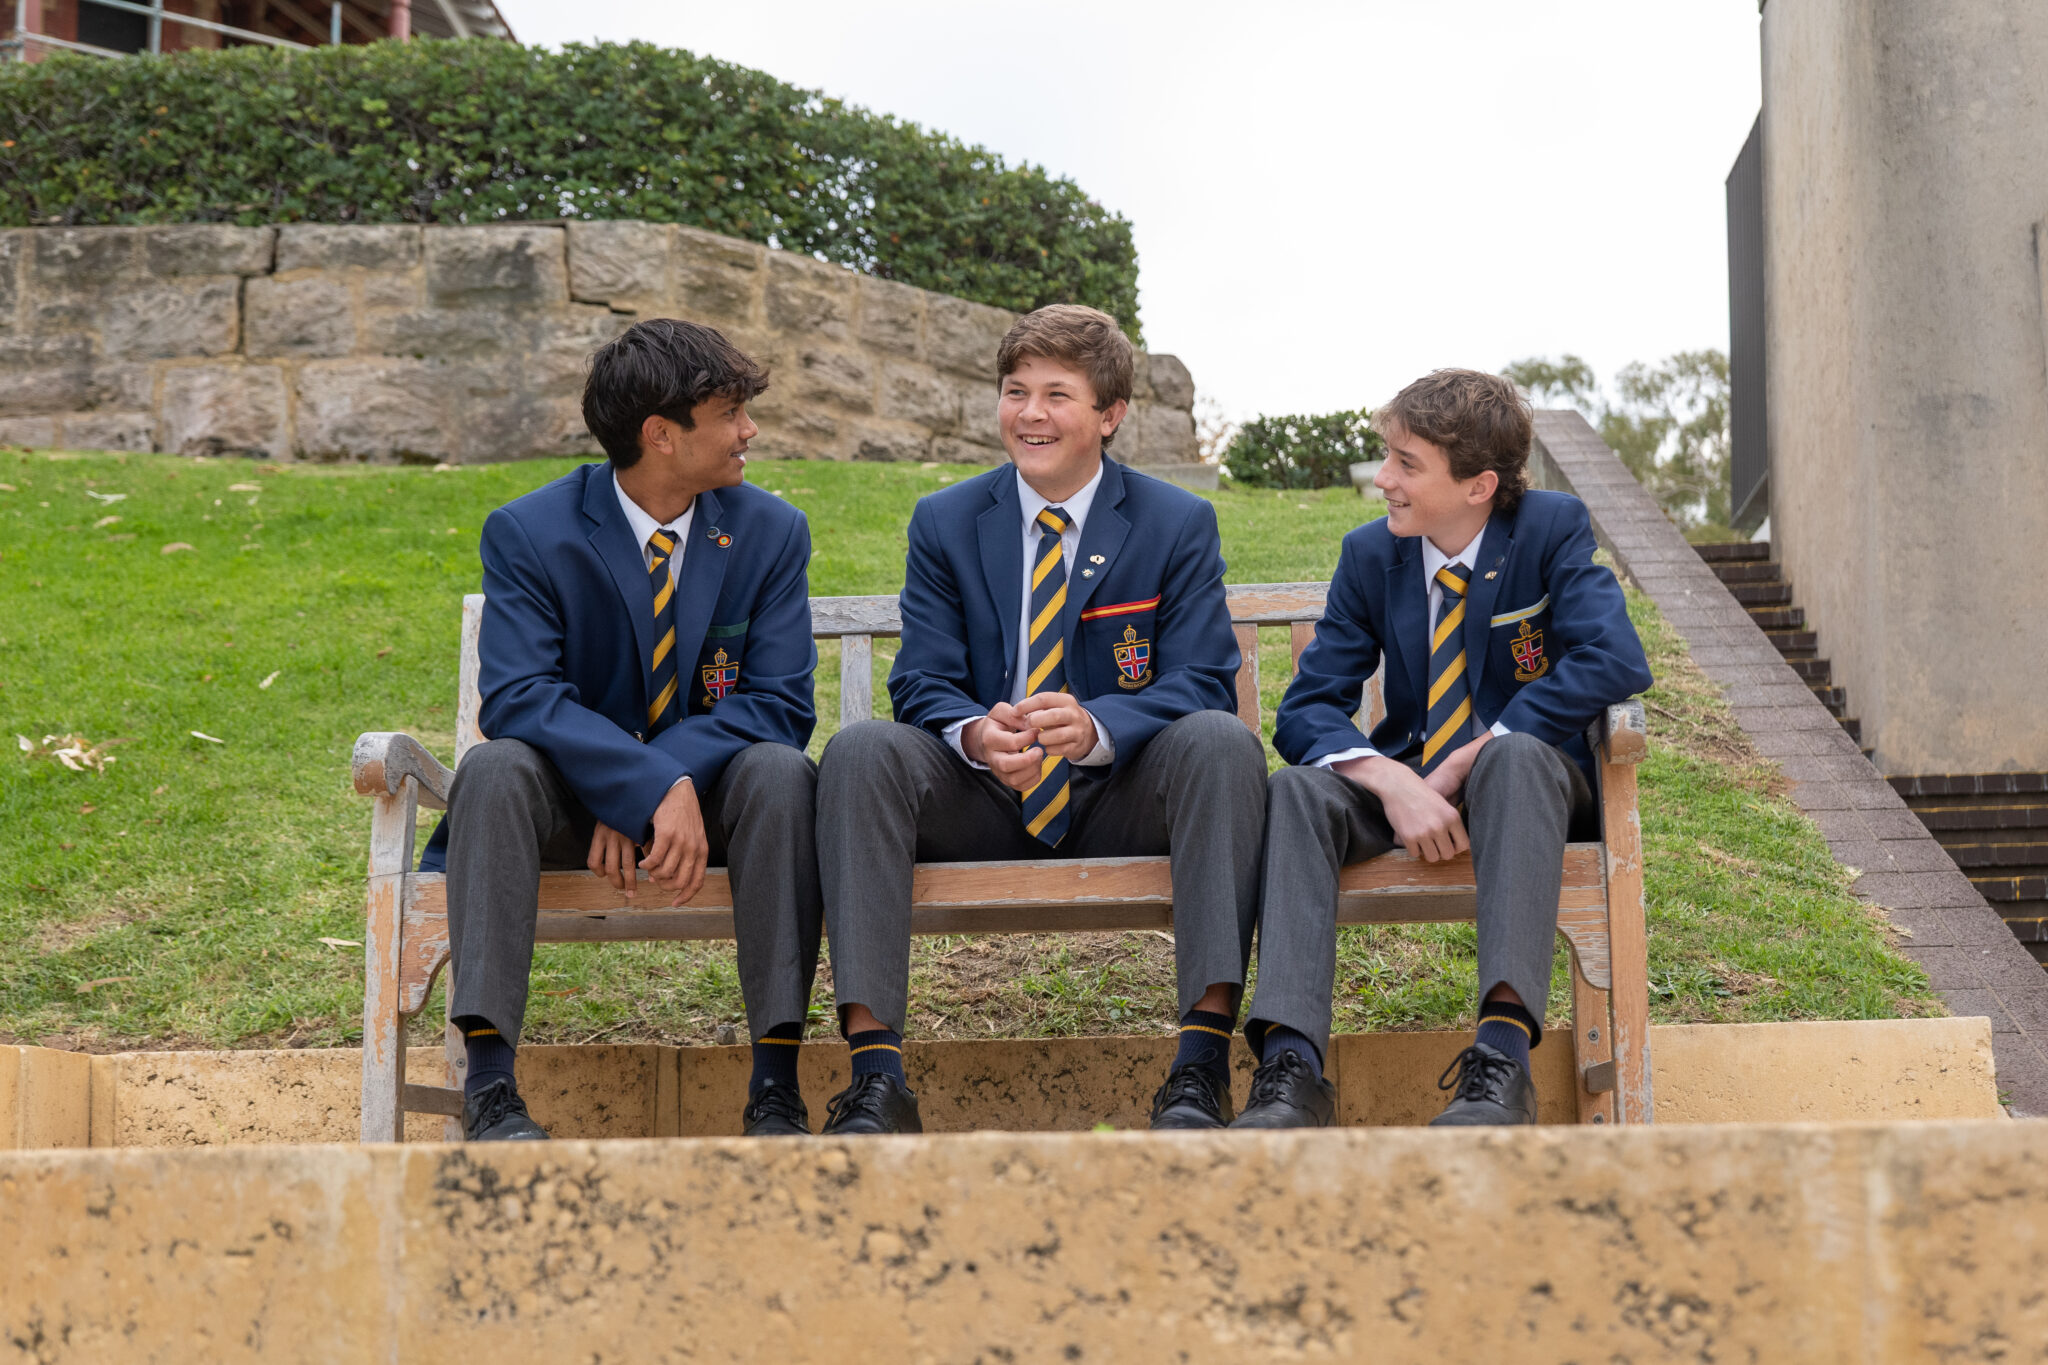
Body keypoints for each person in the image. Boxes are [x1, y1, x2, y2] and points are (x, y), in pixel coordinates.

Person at [813, 304, 1268, 1134]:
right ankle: (877, 1078)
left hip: (1118, 790)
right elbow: (920, 681)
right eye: (1015, 391)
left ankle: (1200, 1066)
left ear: (1110, 414)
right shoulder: (947, 520)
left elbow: (1203, 677)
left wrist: (1097, 727)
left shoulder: (1174, 522)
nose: (1029, 413)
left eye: (1058, 394)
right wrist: (977, 736)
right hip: (981, 792)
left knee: (1220, 741)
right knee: (861, 750)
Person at [420, 318, 824, 1141]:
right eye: (732, 414)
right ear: (661, 435)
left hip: (710, 806)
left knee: (783, 771)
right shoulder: (531, 532)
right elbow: (521, 697)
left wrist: (658, 781)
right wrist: (639, 786)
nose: (750, 431)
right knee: (493, 768)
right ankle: (490, 1090)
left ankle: (776, 1088)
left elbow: (779, 702)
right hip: (567, 807)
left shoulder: (770, 531)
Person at [1234, 368, 1653, 1129]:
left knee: (1518, 757)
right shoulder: (1372, 556)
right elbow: (1305, 709)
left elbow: (1615, 659)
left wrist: (1480, 747)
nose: (1383, 479)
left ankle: (1501, 1065)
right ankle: (1291, 1070)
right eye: (1387, 457)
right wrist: (1391, 780)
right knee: (1296, 788)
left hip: (1522, 790)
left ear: (1479, 485)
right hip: (1406, 786)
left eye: (1406, 464)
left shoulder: (1550, 529)